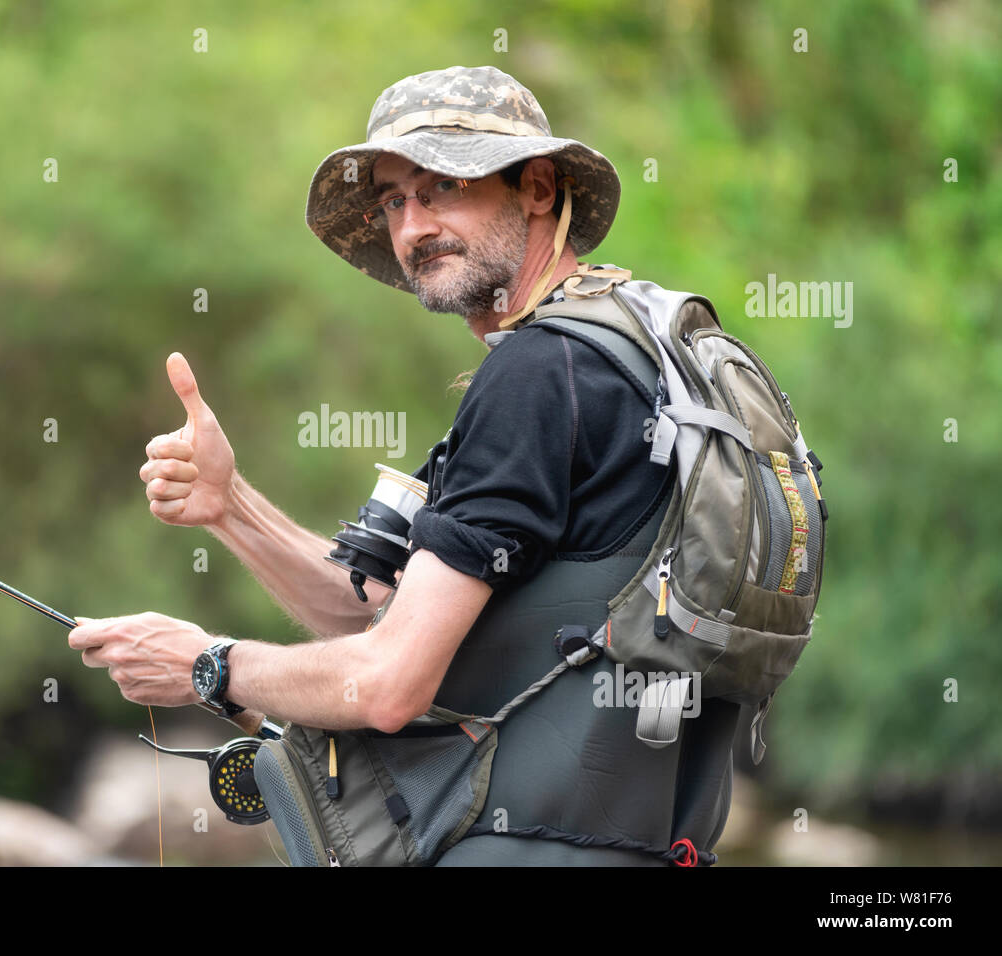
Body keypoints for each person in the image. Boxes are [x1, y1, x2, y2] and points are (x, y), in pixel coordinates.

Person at [69, 65, 739, 865]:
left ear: (535, 187)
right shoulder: (638, 348)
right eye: (394, 199)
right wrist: (230, 505)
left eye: (443, 186)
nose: (414, 226)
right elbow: (385, 619)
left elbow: (388, 684)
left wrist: (207, 666)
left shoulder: (538, 374)